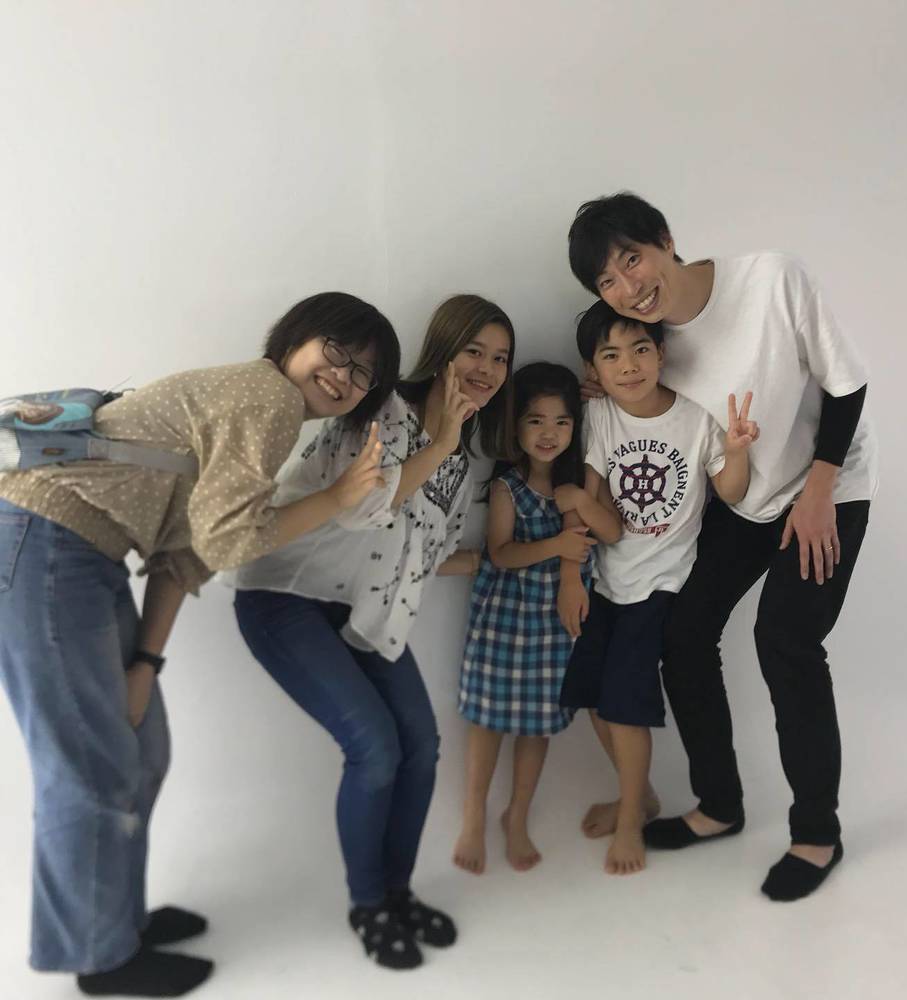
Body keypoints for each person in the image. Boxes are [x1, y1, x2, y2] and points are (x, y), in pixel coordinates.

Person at [0, 291, 399, 997]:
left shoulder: (258, 412)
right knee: (90, 764)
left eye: (363, 372)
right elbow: (230, 542)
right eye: (336, 350)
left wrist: (145, 666)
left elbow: (186, 557)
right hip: (45, 539)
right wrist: (336, 500)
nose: (342, 375)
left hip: (80, 552)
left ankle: (115, 923)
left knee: (139, 748)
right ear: (294, 339)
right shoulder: (267, 399)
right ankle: (99, 957)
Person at [567, 192, 876, 900]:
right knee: (682, 632)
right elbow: (641, 395)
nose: (628, 287)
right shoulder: (653, 345)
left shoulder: (772, 278)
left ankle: (816, 833)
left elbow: (848, 385)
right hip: (747, 497)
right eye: (608, 281)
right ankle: (719, 805)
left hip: (831, 483)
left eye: (632, 261)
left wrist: (820, 490)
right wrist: (602, 385)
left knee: (785, 640)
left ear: (665, 238)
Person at [231, 294, 515, 970]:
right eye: (473, 351)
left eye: (501, 358)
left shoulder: (462, 458)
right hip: (285, 596)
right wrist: (440, 443)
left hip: (362, 613)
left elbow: (432, 553)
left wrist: (524, 560)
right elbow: (363, 507)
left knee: (422, 747)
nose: (486, 368)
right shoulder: (381, 409)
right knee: (374, 748)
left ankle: (397, 893)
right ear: (442, 353)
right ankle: (368, 906)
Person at [558, 299, 756, 875]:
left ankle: (629, 820)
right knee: (595, 700)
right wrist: (570, 575)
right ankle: (639, 796)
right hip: (606, 581)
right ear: (593, 368)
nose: (629, 365)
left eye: (640, 349)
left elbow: (733, 492)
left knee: (625, 709)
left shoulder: (695, 417)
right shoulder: (598, 416)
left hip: (661, 585)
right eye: (611, 355)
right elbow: (588, 502)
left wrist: (737, 452)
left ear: (662, 353)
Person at [452, 361, 612, 875]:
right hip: (503, 619)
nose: (549, 433)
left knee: (536, 724)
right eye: (536, 420)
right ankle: (473, 815)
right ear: (516, 425)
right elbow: (501, 553)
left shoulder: (578, 485)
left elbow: (609, 533)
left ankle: (516, 815)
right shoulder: (508, 486)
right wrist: (556, 545)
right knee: (487, 720)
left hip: (553, 626)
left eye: (561, 422)